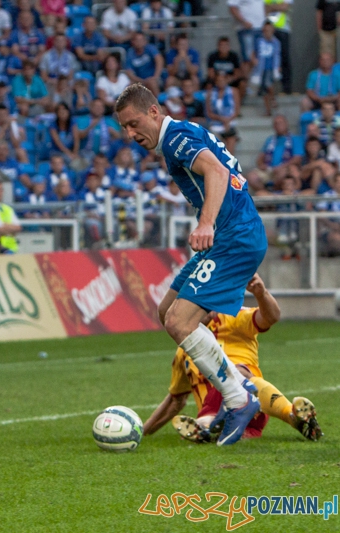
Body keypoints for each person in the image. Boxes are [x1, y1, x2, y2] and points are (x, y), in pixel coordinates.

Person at [115, 83, 269, 446]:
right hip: (230, 235)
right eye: (124, 128)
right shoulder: (181, 135)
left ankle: (238, 398)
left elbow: (215, 172)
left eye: (134, 123)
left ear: (154, 112)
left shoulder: (175, 138)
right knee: (167, 311)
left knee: (179, 321)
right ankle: (236, 387)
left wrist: (206, 223)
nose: (130, 134)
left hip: (233, 237)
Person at [143, 274, 323, 443]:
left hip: (252, 405)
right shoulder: (183, 352)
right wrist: (143, 431)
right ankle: (214, 428)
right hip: (234, 425)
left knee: (237, 373)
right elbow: (175, 400)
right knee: (234, 419)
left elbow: (271, 317)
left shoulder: (232, 317)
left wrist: (262, 294)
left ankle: (290, 416)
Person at [247, 115, 303, 193]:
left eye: (280, 123)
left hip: (285, 168)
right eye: (276, 123)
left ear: (286, 124)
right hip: (269, 169)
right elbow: (260, 157)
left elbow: (297, 159)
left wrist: (281, 167)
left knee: (282, 173)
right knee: (251, 177)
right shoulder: (270, 140)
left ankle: (273, 192)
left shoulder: (295, 139)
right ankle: (266, 194)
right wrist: (261, 165)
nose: (278, 125)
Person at [250, 21, 281, 116]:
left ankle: (273, 99)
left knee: (269, 85)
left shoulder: (276, 42)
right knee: (264, 91)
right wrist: (254, 60)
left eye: (269, 30)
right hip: (261, 69)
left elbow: (278, 55)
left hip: (271, 68)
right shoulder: (259, 41)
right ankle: (268, 109)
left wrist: (278, 67)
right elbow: (253, 53)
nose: (267, 32)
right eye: (266, 30)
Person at [206, 71, 240, 156]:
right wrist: (222, 119)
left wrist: (227, 120)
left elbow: (237, 111)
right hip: (216, 122)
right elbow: (209, 113)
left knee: (231, 139)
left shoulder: (234, 91)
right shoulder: (210, 93)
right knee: (217, 141)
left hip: (230, 121)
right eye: (219, 80)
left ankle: (230, 163)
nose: (221, 82)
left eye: (223, 80)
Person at [227, 0, 265, 77]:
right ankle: (245, 86)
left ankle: (256, 84)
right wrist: (243, 22)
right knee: (248, 59)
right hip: (247, 29)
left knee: (259, 59)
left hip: (260, 28)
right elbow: (232, 7)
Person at [264, 0, 292, 94]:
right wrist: (278, 6)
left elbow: (285, 7)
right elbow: (262, 8)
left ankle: (286, 89)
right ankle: (265, 88)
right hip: (266, 31)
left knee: (284, 58)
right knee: (266, 59)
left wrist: (271, 7)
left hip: (282, 29)